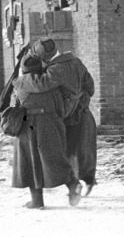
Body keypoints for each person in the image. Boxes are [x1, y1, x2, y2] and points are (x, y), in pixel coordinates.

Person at [13, 37, 97, 196]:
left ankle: (73, 185)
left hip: (67, 115)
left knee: (61, 153)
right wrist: (81, 100)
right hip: (80, 111)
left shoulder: (56, 68)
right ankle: (82, 183)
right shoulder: (76, 61)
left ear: (43, 56)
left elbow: (40, 84)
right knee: (80, 150)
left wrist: (19, 80)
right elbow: (90, 86)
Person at [12, 53, 82, 208]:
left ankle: (37, 201)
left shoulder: (19, 85)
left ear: (24, 69)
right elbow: (61, 108)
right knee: (54, 158)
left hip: (27, 126)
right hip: (51, 124)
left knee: (30, 161)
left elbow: (16, 106)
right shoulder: (53, 84)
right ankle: (72, 185)